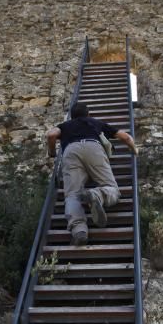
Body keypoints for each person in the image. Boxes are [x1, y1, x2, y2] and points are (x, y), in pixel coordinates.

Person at [46, 102, 137, 245]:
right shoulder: (95, 123)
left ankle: (79, 230)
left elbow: (51, 135)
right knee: (112, 187)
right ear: (88, 114)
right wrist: (134, 150)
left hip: (71, 151)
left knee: (72, 195)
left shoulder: (65, 126)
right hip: (93, 147)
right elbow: (125, 137)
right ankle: (98, 194)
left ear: (72, 115)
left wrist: (52, 152)